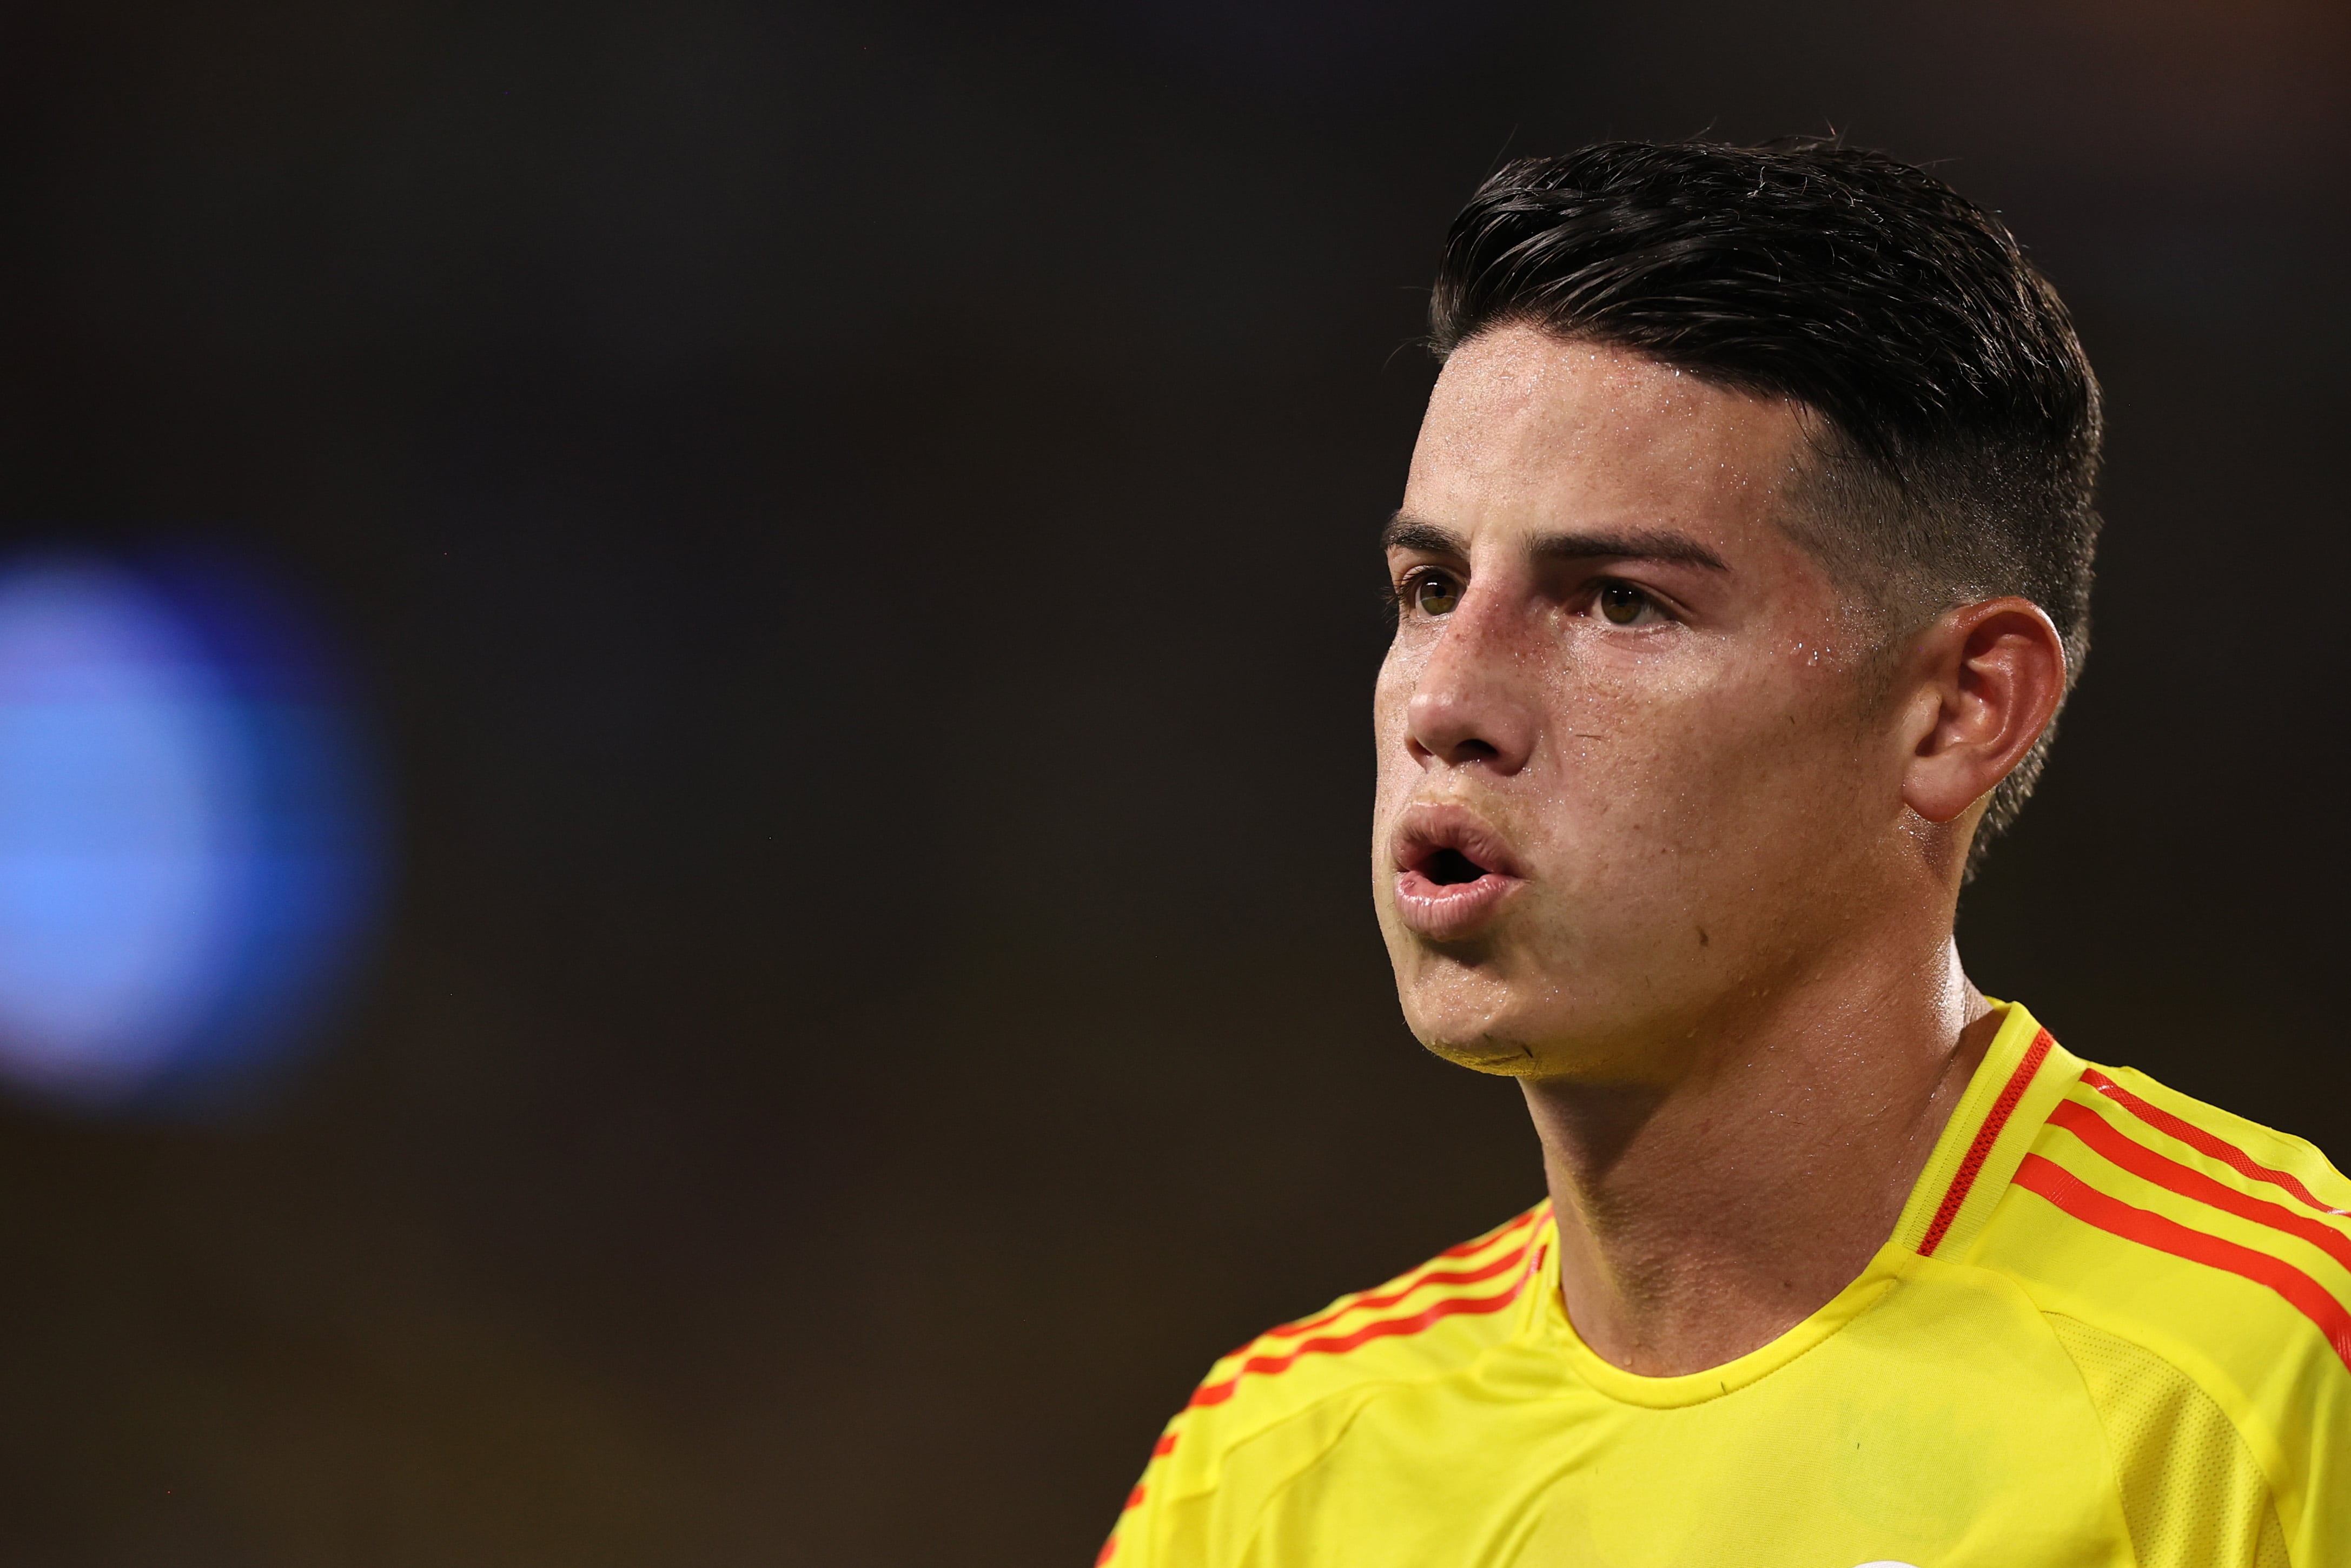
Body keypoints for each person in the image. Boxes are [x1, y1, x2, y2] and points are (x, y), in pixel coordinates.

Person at [1098, 140, 2348, 1567]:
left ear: (1955, 710)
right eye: (1431, 587)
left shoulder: (2278, 1367)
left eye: (1620, 603)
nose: (1447, 700)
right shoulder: (1267, 1476)